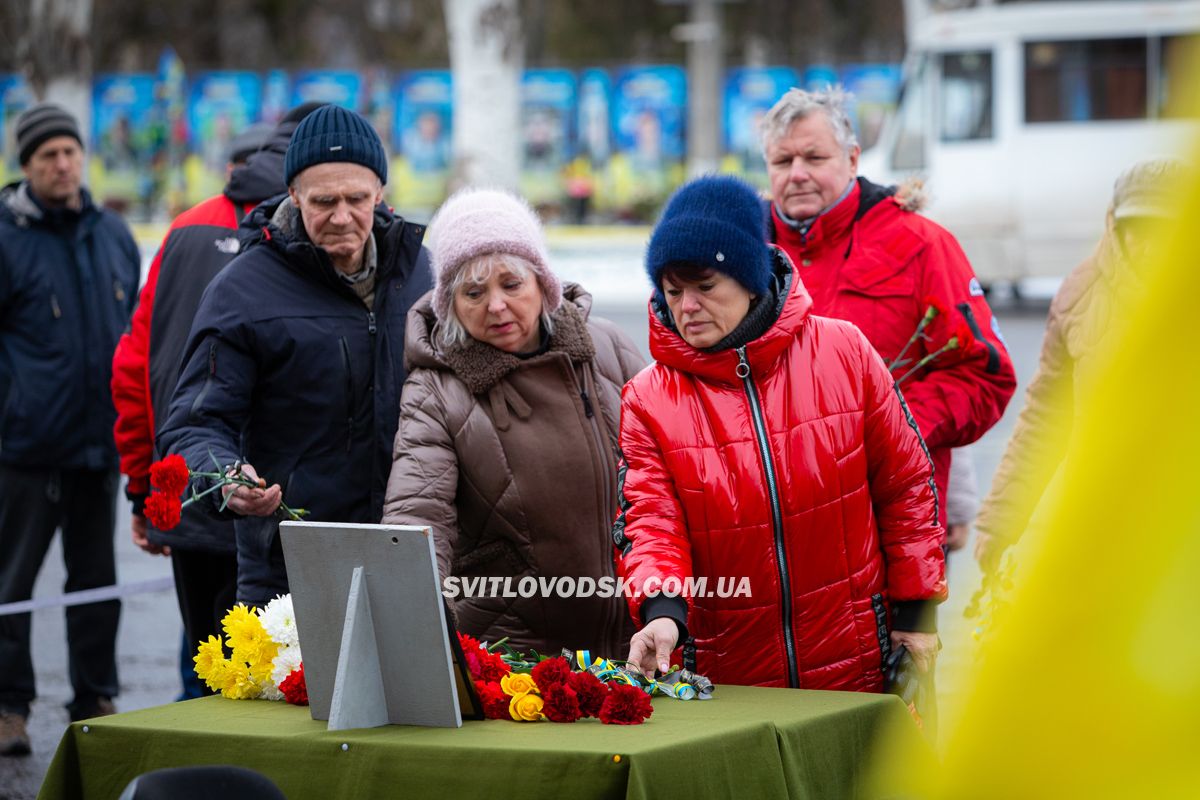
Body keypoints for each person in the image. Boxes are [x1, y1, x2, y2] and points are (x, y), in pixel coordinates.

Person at [618, 175, 946, 691]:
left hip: (859, 656)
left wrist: (916, 611)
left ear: (750, 278)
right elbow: (651, 521)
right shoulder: (648, 397)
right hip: (730, 673)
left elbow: (905, 486)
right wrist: (663, 611)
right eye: (673, 290)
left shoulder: (846, 352)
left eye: (705, 287)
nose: (686, 306)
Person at [157, 105, 433, 606]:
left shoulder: (423, 274)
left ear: (381, 194)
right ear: (292, 195)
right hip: (289, 568)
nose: (342, 216)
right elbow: (193, 424)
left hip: (414, 555)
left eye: (357, 199)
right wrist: (225, 477)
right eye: (323, 201)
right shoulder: (242, 290)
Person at [110, 103, 322, 698]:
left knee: (206, 671)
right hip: (287, 505)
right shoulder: (328, 230)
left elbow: (133, 371)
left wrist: (147, 489)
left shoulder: (186, 228)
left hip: (196, 491)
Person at [382, 188, 645, 657]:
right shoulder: (437, 389)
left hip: (636, 639)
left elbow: (668, 476)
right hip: (514, 654)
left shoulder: (606, 347)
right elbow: (419, 514)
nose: (497, 306)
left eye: (511, 284)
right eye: (474, 292)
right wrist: (415, 631)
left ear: (543, 284)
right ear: (450, 305)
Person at [761, 88, 1016, 542]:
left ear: (853, 159)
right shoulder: (740, 254)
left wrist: (896, 427)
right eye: (782, 162)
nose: (797, 174)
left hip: (893, 526)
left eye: (814, 158)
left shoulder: (920, 244)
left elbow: (985, 374)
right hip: (771, 535)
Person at [0, 103, 140, 755]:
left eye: (69, 153)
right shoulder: (5, 234)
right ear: (25, 166)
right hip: (25, 449)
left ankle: (95, 697)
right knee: (11, 584)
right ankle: (8, 707)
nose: (62, 165)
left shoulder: (112, 233)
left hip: (98, 443)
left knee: (97, 581)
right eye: (47, 156)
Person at [974, 157, 1187, 570]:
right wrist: (1000, 520)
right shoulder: (1080, 295)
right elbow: (1046, 416)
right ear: (1114, 226)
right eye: (1135, 230)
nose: (1148, 245)